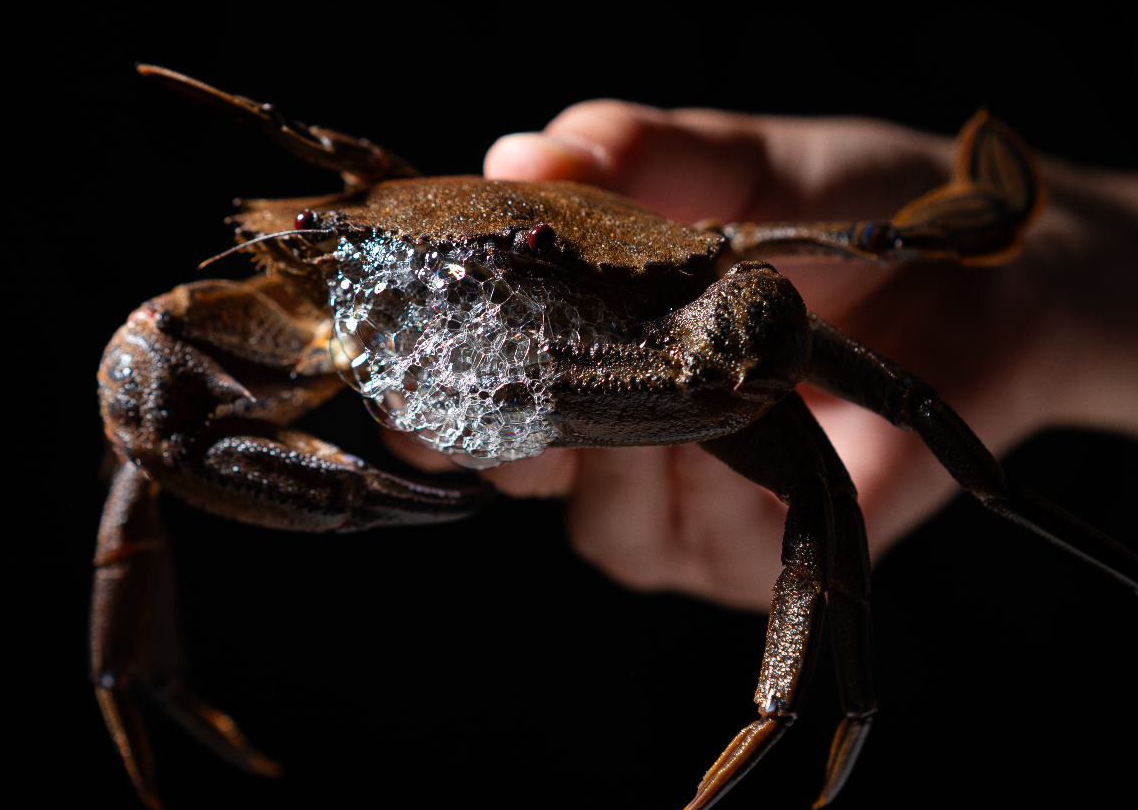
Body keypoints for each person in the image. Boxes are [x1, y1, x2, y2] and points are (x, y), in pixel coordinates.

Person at [380, 101, 1138, 610]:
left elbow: (897, 267)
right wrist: (1048, 296)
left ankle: (793, 716)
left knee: (837, 486)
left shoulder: (716, 268)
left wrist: (1049, 274)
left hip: (694, 326)